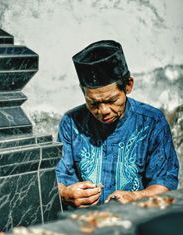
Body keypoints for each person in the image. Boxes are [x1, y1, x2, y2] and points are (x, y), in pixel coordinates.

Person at [56, 40, 179, 208]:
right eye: (93, 103)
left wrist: (136, 196)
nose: (103, 110)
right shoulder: (71, 123)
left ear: (128, 86)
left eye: (112, 100)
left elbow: (165, 182)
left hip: (135, 222)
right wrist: (65, 194)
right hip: (83, 223)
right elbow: (58, 178)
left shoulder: (152, 122)